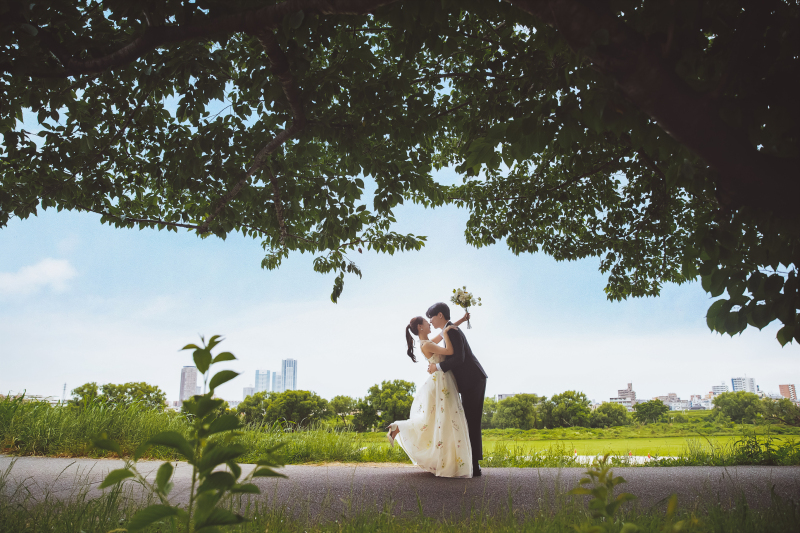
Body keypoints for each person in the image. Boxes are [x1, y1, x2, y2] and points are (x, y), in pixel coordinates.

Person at [387, 313, 472, 478]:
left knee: (436, 421)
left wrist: (461, 320)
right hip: (441, 383)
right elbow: (450, 351)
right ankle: (399, 426)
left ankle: (399, 427)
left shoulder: (428, 342)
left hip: (442, 381)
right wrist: (446, 333)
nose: (430, 324)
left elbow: (444, 330)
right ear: (420, 327)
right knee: (440, 420)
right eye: (427, 323)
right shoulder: (426, 345)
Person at [425, 302, 488, 477]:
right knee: (466, 421)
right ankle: (471, 464)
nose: (430, 321)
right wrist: (462, 319)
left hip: (473, 380)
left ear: (440, 315)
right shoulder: (449, 329)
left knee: (471, 421)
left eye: (431, 317)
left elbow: (459, 358)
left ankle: (474, 466)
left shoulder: (451, 331)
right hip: (469, 381)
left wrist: (437, 367)